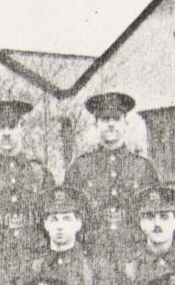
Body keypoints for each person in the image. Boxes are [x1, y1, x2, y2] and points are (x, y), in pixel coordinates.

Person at [65, 91, 158, 261]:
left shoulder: (143, 168)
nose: (111, 125)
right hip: (93, 257)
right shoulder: (79, 168)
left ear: (125, 123)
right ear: (96, 124)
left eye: (116, 119)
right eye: (105, 119)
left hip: (135, 257)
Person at [0, 98, 52, 263]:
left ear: (22, 128)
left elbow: (52, 221)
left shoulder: (39, 173)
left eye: (12, 126)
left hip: (33, 262)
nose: (6, 133)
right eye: (1, 127)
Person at [23, 188, 100, 285]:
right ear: (45, 224)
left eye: (66, 219)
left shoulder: (93, 267)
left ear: (78, 223)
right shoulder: (35, 268)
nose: (60, 226)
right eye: (54, 219)